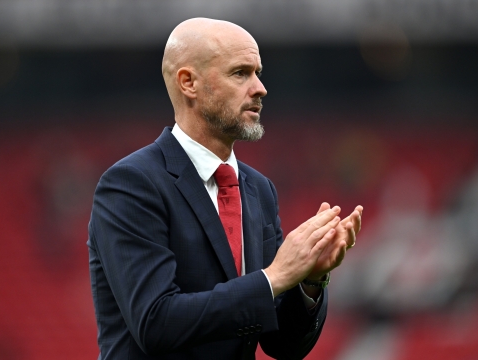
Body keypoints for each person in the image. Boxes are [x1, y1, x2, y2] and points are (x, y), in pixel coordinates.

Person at [88, 17, 363, 360]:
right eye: (240, 73)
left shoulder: (259, 190)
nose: (260, 88)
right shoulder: (132, 185)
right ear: (188, 83)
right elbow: (155, 323)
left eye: (258, 72)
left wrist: (310, 280)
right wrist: (273, 278)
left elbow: (282, 344)